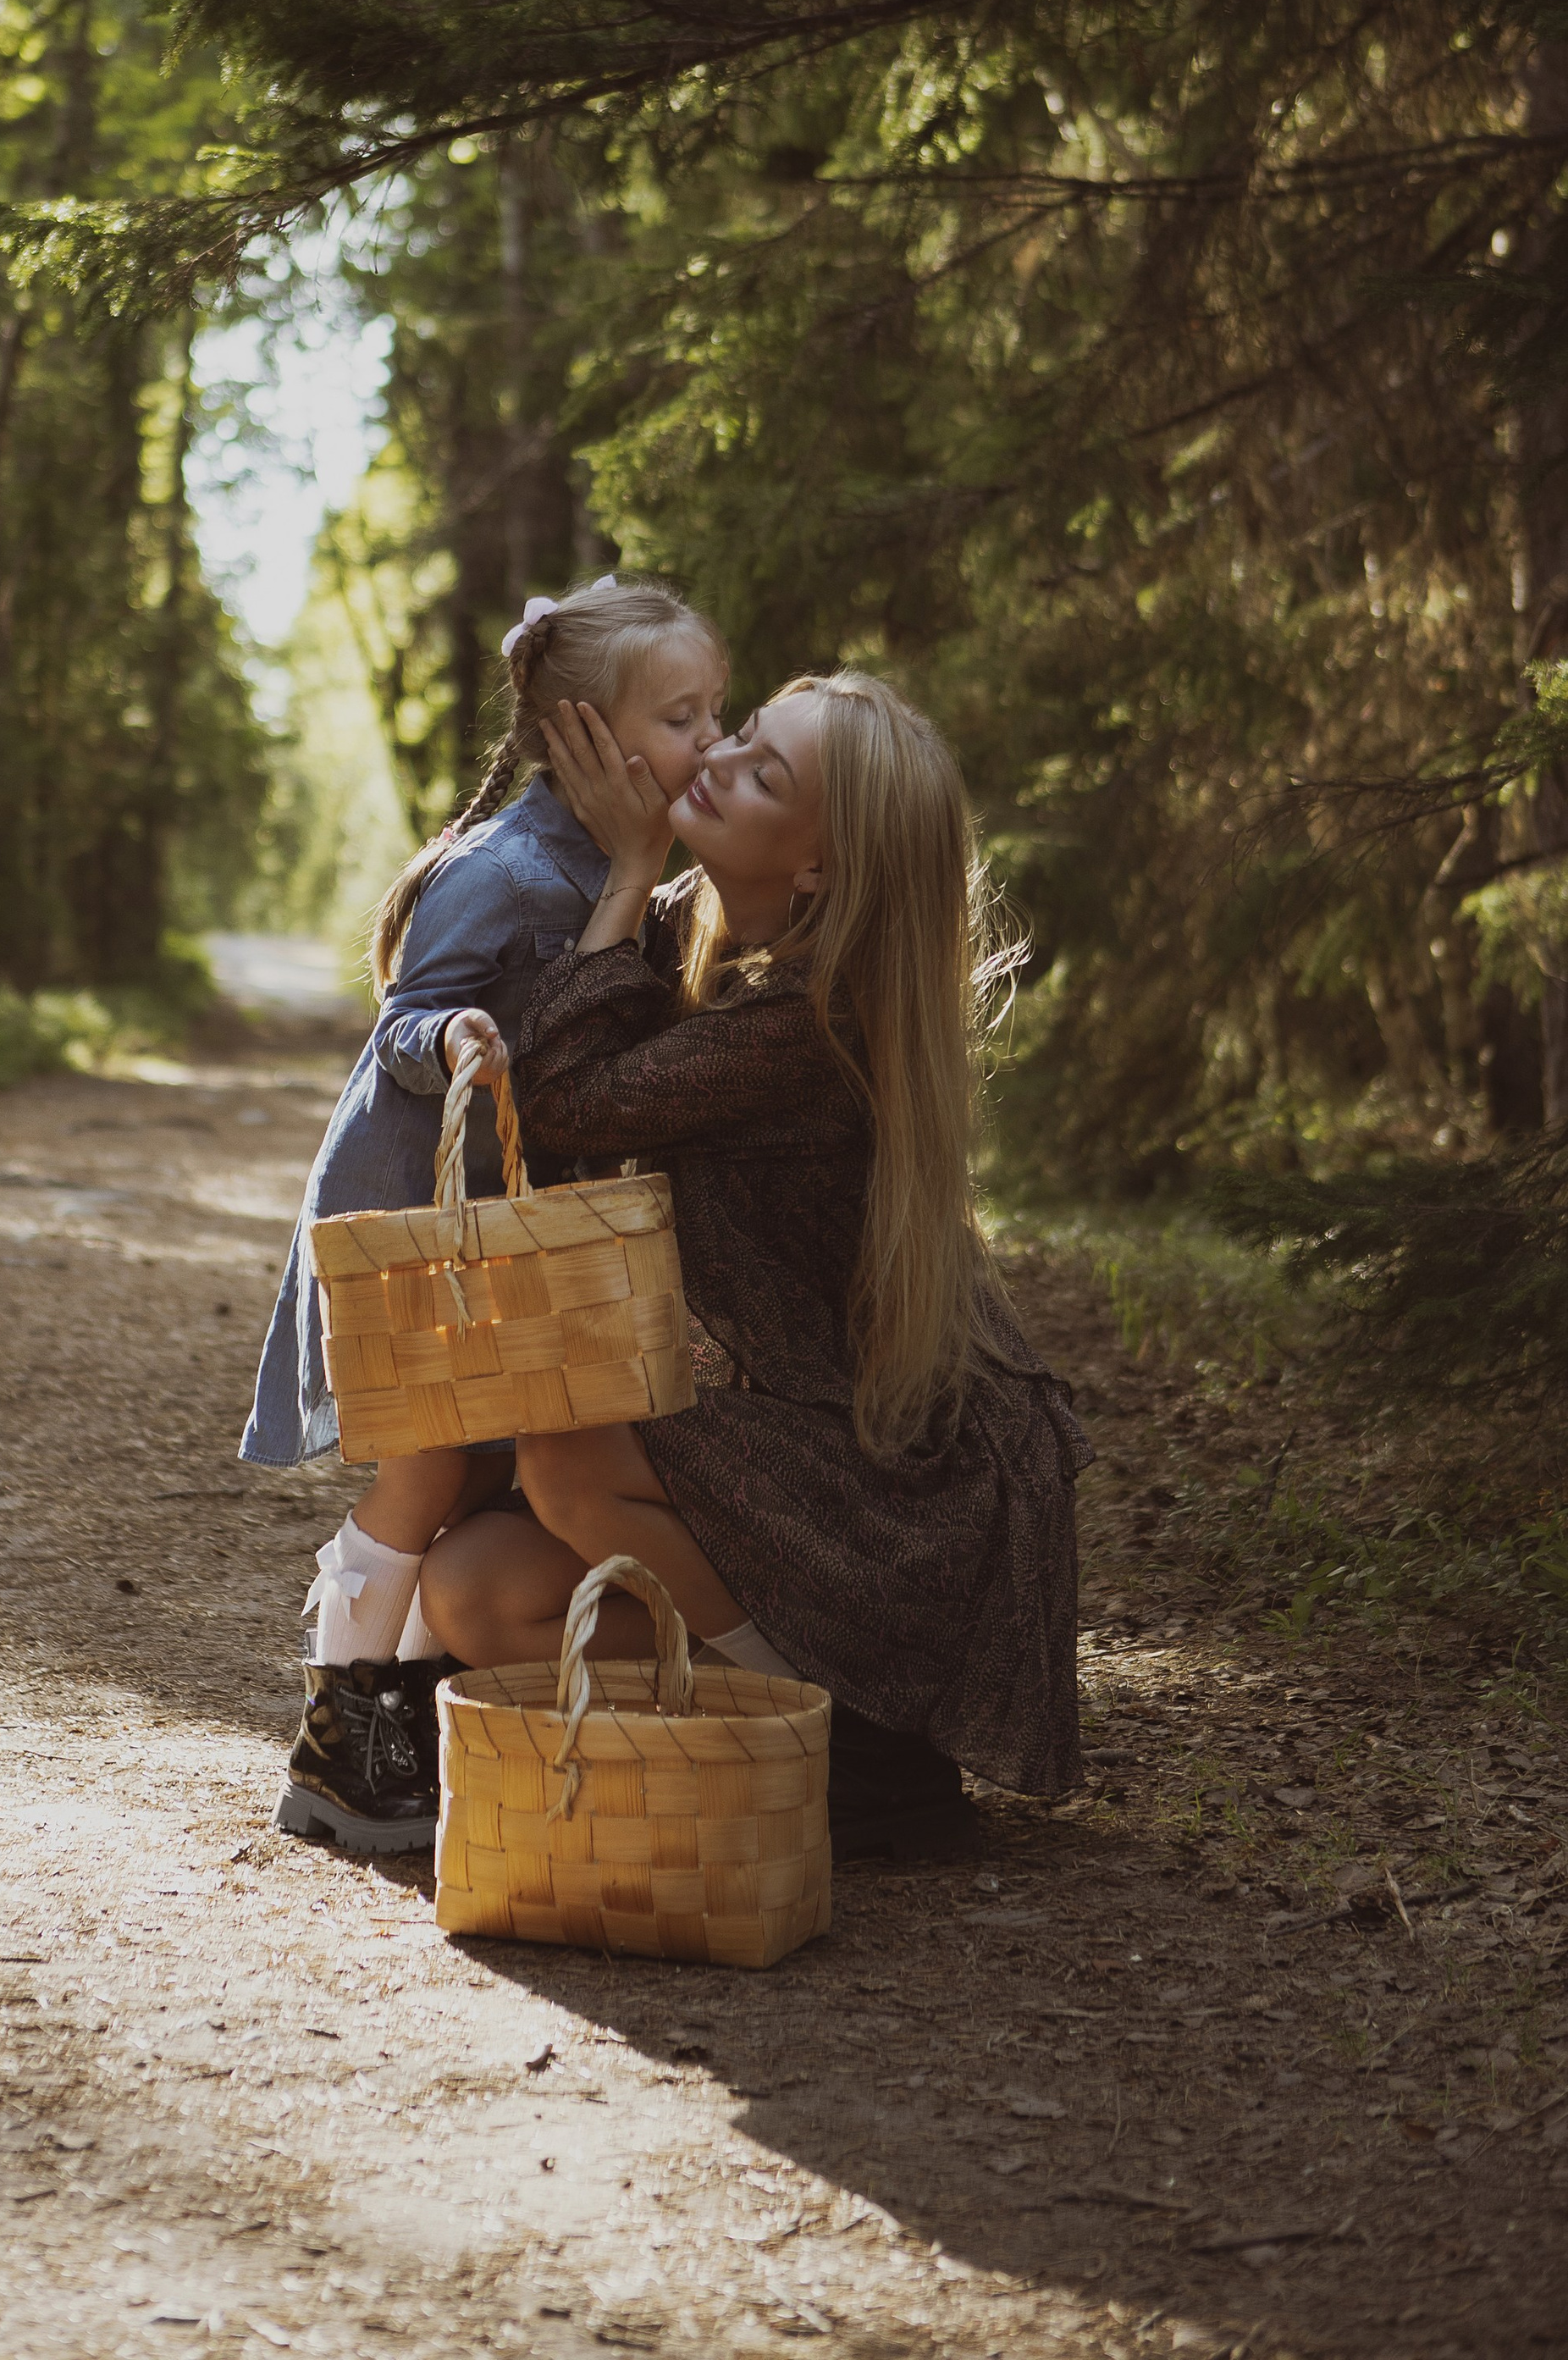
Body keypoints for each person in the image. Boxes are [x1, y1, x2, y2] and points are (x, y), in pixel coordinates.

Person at [420, 672, 1092, 1859]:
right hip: (785, 1431)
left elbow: (568, 1098)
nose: (716, 762)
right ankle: (767, 1708)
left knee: (569, 1442)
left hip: (888, 1497)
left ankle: (850, 1745)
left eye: (763, 771)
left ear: (821, 866)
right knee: (476, 1588)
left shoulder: (819, 1020)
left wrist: (625, 870)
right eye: (735, 737)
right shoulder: (712, 927)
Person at [241, 575, 728, 1853]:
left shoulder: (620, 865)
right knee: (430, 1461)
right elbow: (403, 1014)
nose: (713, 743)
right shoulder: (509, 871)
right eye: (684, 718)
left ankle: (402, 1715)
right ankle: (342, 1729)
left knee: (472, 1467)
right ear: (586, 736)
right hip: (423, 1222)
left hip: (501, 1228)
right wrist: (453, 1028)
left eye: (717, 712)